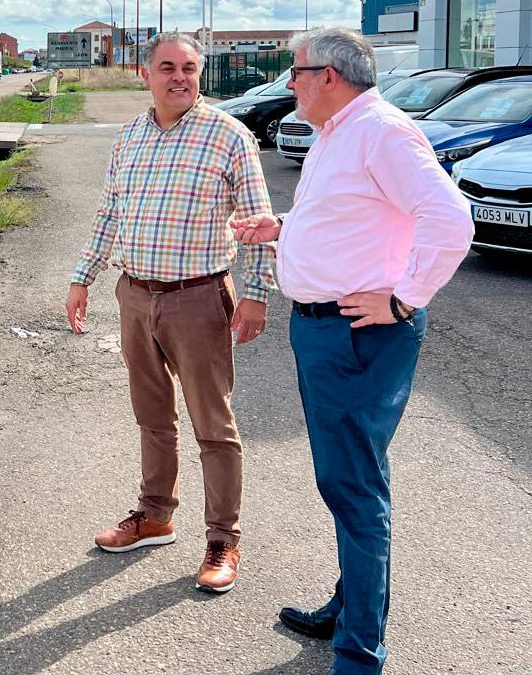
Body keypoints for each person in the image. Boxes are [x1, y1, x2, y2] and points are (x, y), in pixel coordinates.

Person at [230, 28, 472, 674]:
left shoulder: (382, 132)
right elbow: (350, 217)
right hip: (325, 332)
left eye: (296, 71)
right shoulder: (342, 131)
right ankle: (351, 606)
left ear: (329, 76)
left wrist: (403, 298)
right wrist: (281, 227)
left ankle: (360, 650)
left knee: (355, 486)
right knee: (347, 480)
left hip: (358, 336)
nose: (289, 82)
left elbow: (450, 219)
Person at [66, 32, 275, 594]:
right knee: (152, 415)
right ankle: (155, 515)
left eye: (189, 67)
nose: (178, 77)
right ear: (145, 74)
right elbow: (110, 213)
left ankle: (223, 539)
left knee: (214, 424)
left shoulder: (229, 136)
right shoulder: (130, 134)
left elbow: (257, 224)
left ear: (199, 73)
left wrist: (256, 294)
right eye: (167, 67)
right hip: (135, 294)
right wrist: (82, 277)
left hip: (198, 298)